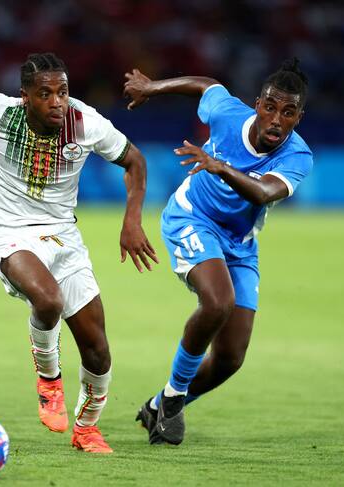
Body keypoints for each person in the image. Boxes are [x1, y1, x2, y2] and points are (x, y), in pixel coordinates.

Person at [0, 52, 158, 453]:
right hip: (7, 230)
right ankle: (49, 381)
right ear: (25, 97)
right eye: (45, 94)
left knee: (98, 352)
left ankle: (86, 430)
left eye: (62, 92)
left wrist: (132, 221)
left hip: (63, 236)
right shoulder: (2, 113)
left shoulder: (86, 123)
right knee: (48, 299)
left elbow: (134, 160)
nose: (56, 102)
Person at [124, 58, 313, 445]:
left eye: (288, 112)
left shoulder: (297, 156)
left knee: (230, 358)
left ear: (299, 118)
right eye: (270, 107)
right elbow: (206, 85)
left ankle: (159, 404)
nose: (276, 120)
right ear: (257, 105)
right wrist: (153, 88)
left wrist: (220, 167)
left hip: (239, 244)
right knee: (217, 302)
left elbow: (264, 192)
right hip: (192, 218)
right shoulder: (229, 115)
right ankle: (175, 399)